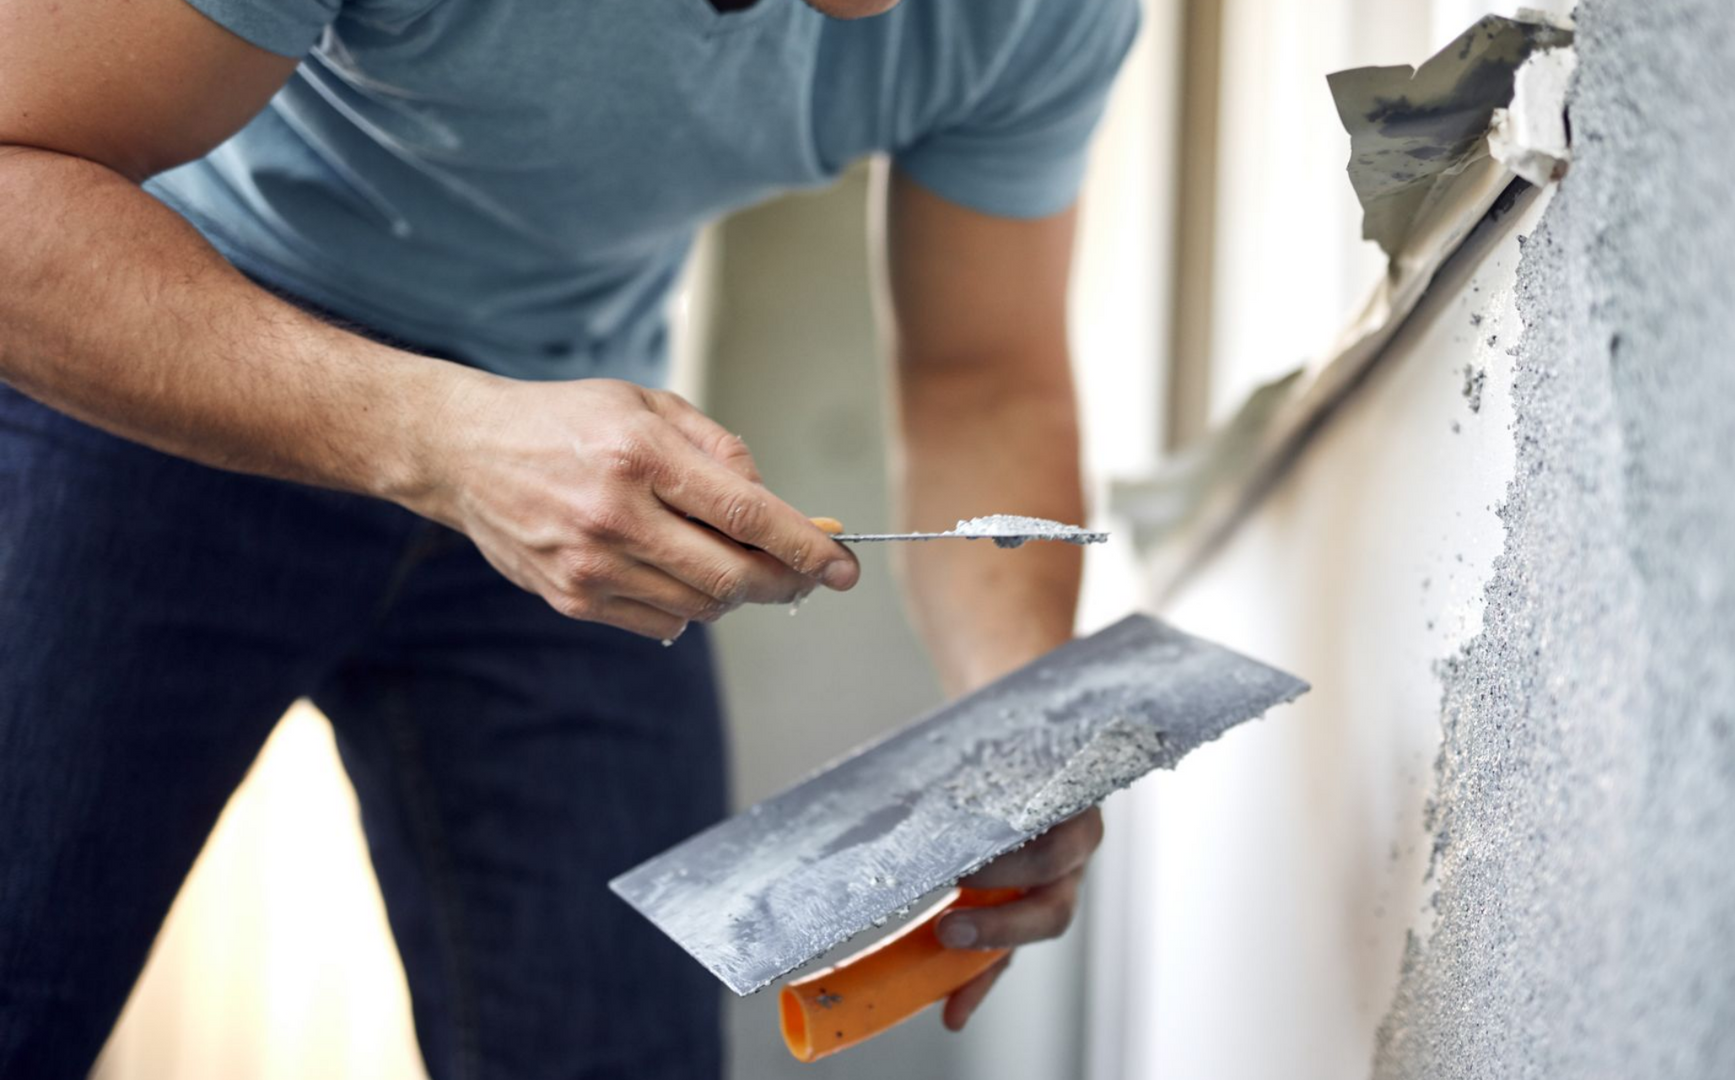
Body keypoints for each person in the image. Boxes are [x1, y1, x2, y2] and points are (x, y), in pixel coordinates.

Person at [0, 0, 1137, 1074]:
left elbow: (982, 377)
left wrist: (1022, 723)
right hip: (152, 373)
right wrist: (444, 437)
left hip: (574, 456)